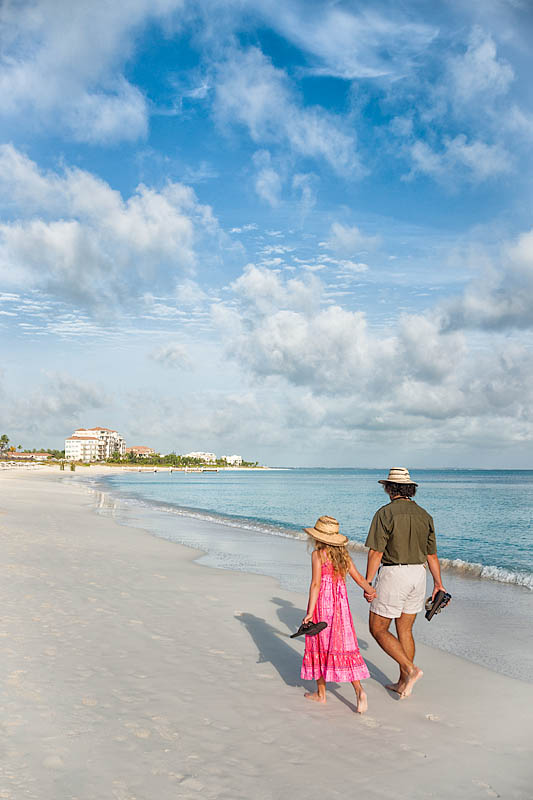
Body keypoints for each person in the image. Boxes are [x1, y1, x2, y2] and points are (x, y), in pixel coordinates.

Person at [364, 467, 446, 699]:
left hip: (394, 574)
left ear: (390, 488)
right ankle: (402, 682)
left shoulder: (385, 513)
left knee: (378, 628)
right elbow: (432, 555)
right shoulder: (424, 515)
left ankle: (410, 670)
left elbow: (375, 553)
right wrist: (438, 583)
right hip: (418, 575)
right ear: (410, 489)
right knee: (405, 630)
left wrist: (368, 583)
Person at [300, 515, 376, 713]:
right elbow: (359, 578)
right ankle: (359, 691)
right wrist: (370, 591)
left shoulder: (318, 555)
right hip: (340, 607)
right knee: (343, 646)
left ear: (318, 537)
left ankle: (321, 694)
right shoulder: (344, 556)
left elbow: (315, 584)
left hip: (322, 606)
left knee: (318, 644)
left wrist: (309, 613)